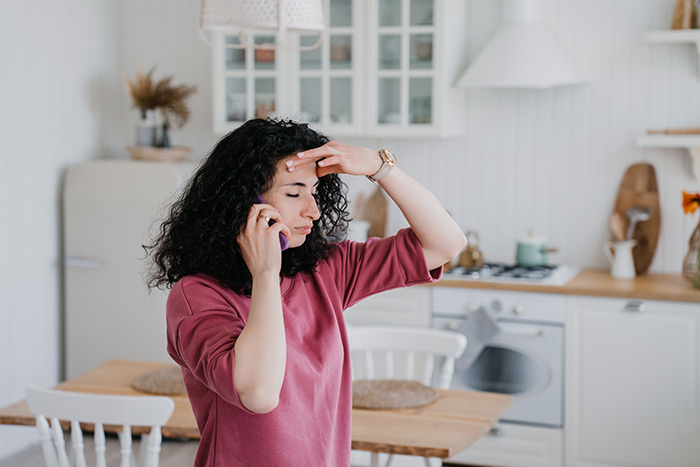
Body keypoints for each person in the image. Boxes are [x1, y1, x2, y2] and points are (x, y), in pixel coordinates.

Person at [146, 118, 466, 467]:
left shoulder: (326, 271)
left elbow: (446, 244)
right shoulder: (197, 295)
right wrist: (266, 273)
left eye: (313, 193)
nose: (312, 211)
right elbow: (258, 392)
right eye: (294, 193)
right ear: (242, 202)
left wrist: (380, 167)